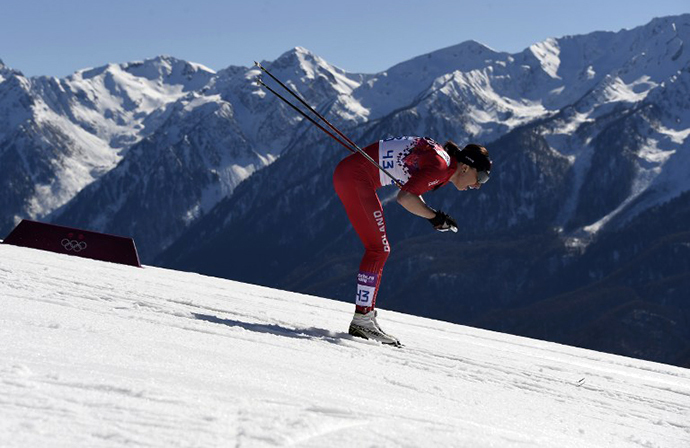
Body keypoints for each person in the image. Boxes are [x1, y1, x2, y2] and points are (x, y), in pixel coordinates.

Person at [332, 136, 491, 346]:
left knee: (379, 249)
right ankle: (362, 319)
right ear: (465, 168)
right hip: (355, 178)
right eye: (480, 177)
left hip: (352, 174)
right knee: (378, 250)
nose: (479, 185)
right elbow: (405, 198)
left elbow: (412, 190)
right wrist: (434, 217)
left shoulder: (443, 163)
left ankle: (364, 317)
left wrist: (434, 217)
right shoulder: (441, 168)